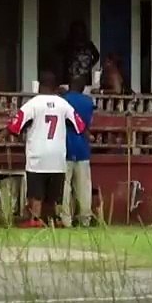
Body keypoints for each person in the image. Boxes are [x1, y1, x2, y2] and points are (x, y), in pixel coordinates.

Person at [4, 72, 83, 228]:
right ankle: (55, 219)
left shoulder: (33, 103)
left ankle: (35, 219)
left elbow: (14, 125)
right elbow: (79, 125)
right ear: (55, 87)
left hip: (37, 155)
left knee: (36, 191)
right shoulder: (63, 104)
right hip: (58, 155)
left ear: (40, 85)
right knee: (54, 194)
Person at [60, 84, 96, 227]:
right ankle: (85, 219)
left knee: (64, 187)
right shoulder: (88, 101)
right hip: (82, 149)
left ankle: (66, 220)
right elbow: (89, 123)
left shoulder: (62, 99)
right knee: (84, 187)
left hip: (65, 147)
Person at [58, 21, 100, 91]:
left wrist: (89, 66)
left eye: (81, 31)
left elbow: (96, 56)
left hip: (84, 77)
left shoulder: (88, 44)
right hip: (70, 76)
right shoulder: (68, 44)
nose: (79, 33)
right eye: (77, 31)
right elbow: (58, 52)